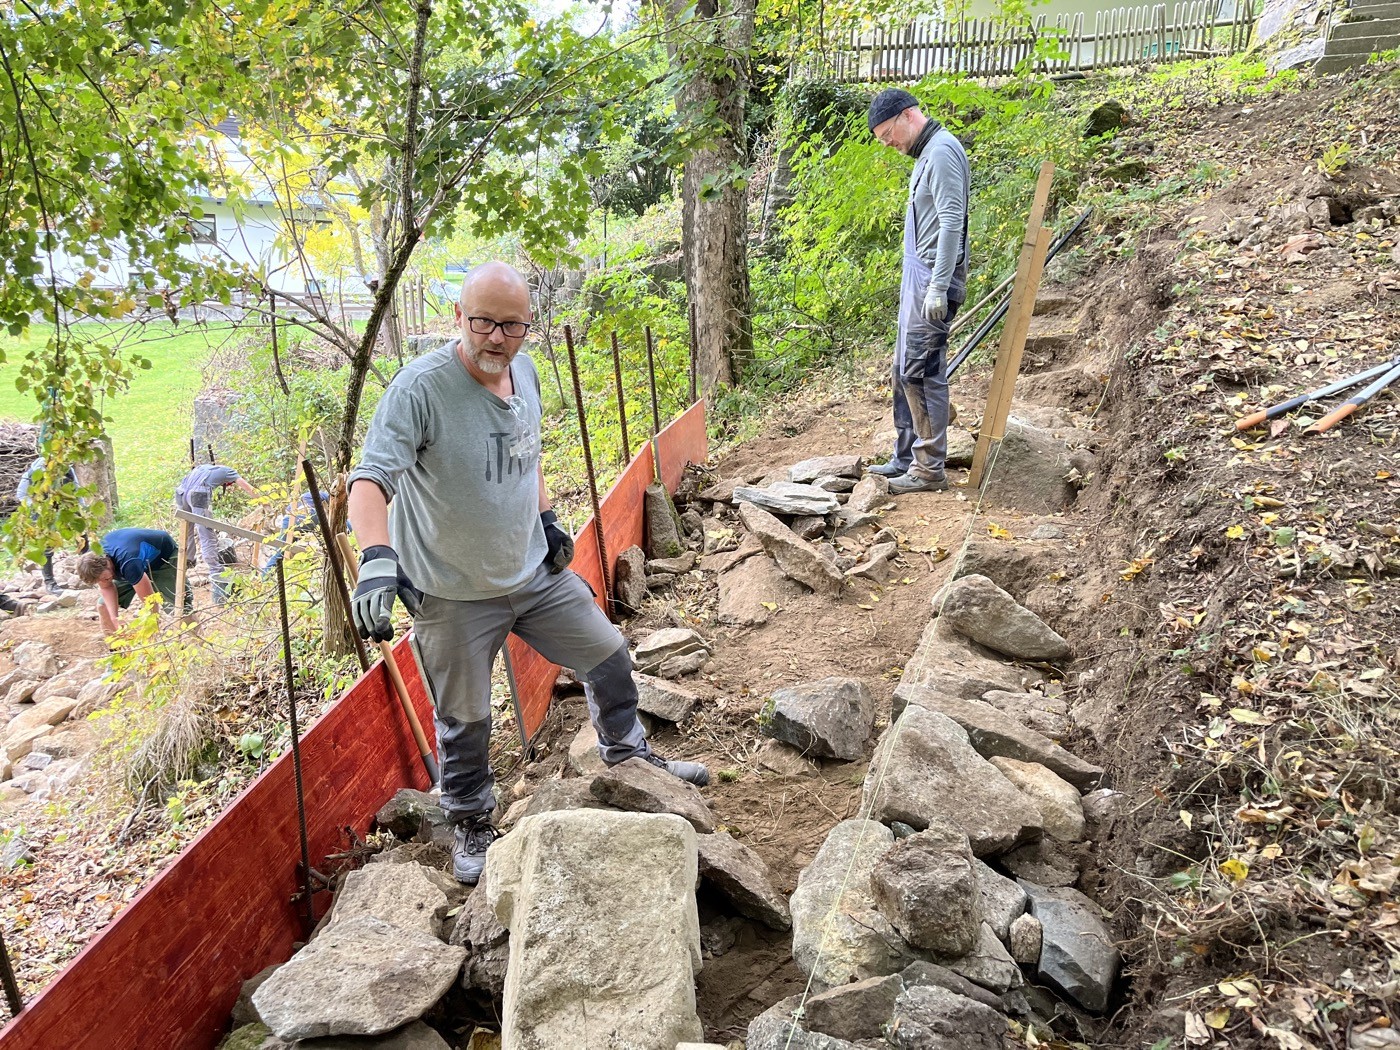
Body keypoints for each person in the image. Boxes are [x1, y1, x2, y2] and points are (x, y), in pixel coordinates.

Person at [348, 261, 709, 885]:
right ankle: (469, 819)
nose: (497, 338)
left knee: (608, 651)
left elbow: (527, 451)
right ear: (458, 318)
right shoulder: (419, 391)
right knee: (464, 715)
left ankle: (626, 755)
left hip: (531, 574)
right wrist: (378, 558)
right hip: (452, 592)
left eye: (511, 325)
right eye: (484, 322)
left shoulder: (526, 371)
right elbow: (369, 481)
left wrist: (546, 519)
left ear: (527, 326)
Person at [864, 88, 971, 494]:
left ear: (908, 116)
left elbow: (950, 224)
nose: (889, 144)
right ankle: (906, 456)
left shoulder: (942, 151)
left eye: (888, 133)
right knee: (901, 368)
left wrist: (939, 287)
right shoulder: (925, 153)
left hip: (933, 279)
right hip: (918, 277)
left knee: (921, 372)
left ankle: (928, 470)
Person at [76, 528, 194, 635]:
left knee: (180, 608)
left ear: (107, 563)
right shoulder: (95, 562)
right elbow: (106, 587)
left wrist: (152, 632)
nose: (103, 582)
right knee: (103, 606)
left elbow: (150, 602)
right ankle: (117, 652)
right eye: (99, 581)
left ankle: (200, 646)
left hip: (163, 558)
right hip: (136, 562)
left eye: (105, 578)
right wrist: (115, 619)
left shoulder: (128, 563)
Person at [175, 464, 258, 604]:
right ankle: (215, 569)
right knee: (206, 532)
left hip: (181, 493)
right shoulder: (230, 471)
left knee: (187, 530)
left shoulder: (204, 468)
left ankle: (187, 560)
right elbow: (247, 486)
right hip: (198, 494)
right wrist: (263, 501)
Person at [16, 456, 81, 595]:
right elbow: (21, 495)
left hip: (64, 508)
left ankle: (90, 571)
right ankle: (50, 583)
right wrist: (37, 509)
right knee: (47, 547)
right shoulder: (32, 473)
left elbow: (76, 489)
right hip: (42, 512)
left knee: (82, 536)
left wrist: (81, 509)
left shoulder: (67, 470)